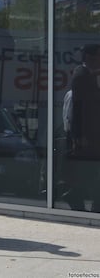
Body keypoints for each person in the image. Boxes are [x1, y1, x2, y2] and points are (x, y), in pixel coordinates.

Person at [64, 44, 100, 212]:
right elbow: (77, 109)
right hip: (87, 136)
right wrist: (79, 135)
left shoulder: (88, 75)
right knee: (89, 173)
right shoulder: (81, 74)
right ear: (90, 58)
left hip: (92, 135)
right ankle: (76, 197)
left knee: (91, 174)